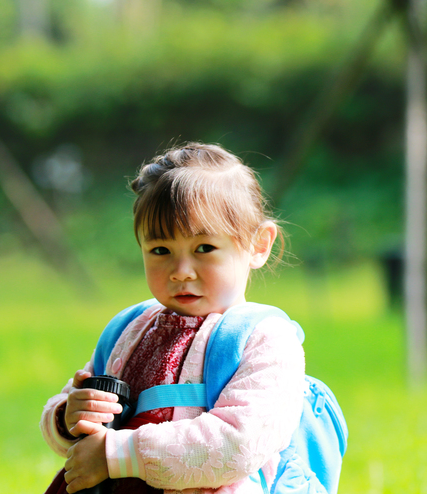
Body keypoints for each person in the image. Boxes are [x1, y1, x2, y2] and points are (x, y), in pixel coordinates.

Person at [40, 143, 306, 494]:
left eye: (204, 249)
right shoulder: (130, 329)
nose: (181, 272)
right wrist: (68, 418)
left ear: (259, 244)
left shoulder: (264, 339)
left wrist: (115, 455)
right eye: (160, 250)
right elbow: (74, 423)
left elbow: (237, 443)